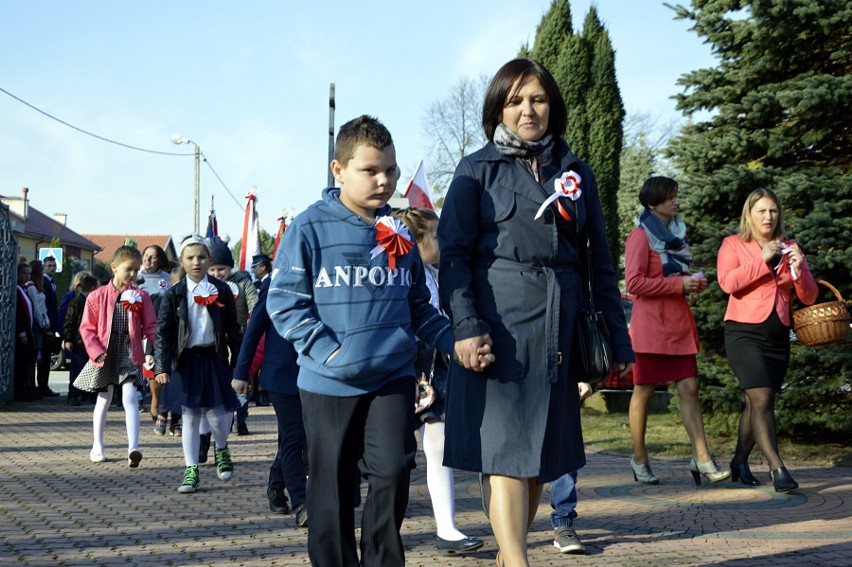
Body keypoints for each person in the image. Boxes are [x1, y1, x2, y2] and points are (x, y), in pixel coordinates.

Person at [264, 115, 492, 566]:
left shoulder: (400, 232)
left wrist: (453, 340)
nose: (384, 180)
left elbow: (417, 305)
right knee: (331, 487)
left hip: (391, 378)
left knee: (392, 472)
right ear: (339, 170)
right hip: (328, 383)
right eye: (370, 170)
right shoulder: (308, 228)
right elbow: (285, 304)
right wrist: (330, 351)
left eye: (390, 169)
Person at [437, 58, 633, 567]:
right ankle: (519, 562)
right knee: (505, 449)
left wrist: (618, 339)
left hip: (560, 328)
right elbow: (453, 257)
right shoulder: (475, 169)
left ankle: (508, 558)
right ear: (498, 109)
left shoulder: (576, 171)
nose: (529, 110)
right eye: (516, 100)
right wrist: (465, 326)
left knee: (540, 458)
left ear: (553, 107)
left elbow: (600, 261)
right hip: (497, 326)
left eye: (539, 99)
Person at [624, 176, 730, 486]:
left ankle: (702, 458)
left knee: (690, 389)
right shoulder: (640, 237)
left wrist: (692, 283)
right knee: (643, 391)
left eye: (675, 195)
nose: (676, 201)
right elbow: (633, 283)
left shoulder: (679, 237)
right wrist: (677, 283)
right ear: (652, 202)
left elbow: (677, 279)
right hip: (650, 328)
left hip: (679, 325)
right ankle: (640, 458)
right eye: (669, 197)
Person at [393, 206, 484, 555]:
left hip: (434, 369)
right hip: (404, 367)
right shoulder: (402, 273)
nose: (443, 241)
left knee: (438, 446)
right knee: (396, 456)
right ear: (415, 241)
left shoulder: (436, 273)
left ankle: (447, 527)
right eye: (435, 236)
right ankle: (388, 527)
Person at [717, 189, 818, 493]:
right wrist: (761, 259)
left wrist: (799, 272)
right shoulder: (733, 244)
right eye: (761, 211)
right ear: (749, 214)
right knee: (762, 400)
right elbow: (728, 283)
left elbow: (809, 296)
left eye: (773, 211)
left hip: (777, 335)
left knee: (755, 402)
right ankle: (778, 468)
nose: (768, 217)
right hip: (743, 332)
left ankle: (738, 461)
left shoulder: (791, 247)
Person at [154, 235, 243, 494]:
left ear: (209, 260)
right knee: (190, 417)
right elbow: (164, 333)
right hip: (186, 361)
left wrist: (239, 364)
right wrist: (161, 366)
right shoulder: (174, 295)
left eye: (202, 257)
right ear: (181, 261)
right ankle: (191, 469)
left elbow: (233, 330)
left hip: (214, 358)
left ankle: (222, 447)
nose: (196, 262)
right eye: (190, 258)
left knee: (219, 415)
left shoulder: (222, 289)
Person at [232, 277, 308, 527]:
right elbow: (254, 331)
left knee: (300, 437)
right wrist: (241, 373)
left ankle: (276, 485)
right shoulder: (278, 286)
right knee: (294, 436)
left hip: (316, 372)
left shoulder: (324, 277)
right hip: (282, 375)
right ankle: (302, 503)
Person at [74, 246, 156, 466]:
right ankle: (97, 446)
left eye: (137, 270)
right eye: (129, 269)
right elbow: (87, 328)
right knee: (104, 398)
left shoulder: (142, 296)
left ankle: (133, 448)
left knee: (130, 396)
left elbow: (151, 326)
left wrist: (152, 352)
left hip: (129, 351)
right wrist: (96, 352)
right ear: (114, 268)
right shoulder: (97, 296)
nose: (133, 274)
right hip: (104, 353)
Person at [206, 235, 257, 437]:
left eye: (222, 269)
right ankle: (217, 423)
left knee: (240, 381)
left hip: (239, 342)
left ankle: (241, 419)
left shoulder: (243, 284)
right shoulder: (205, 286)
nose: (218, 273)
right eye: (213, 269)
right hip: (214, 345)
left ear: (230, 267)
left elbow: (255, 304)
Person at [138, 244, 179, 436]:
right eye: (146, 255)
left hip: (164, 329)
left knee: (168, 370)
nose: (148, 260)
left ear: (160, 260)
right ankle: (155, 403)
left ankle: (169, 413)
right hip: (143, 332)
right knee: (152, 370)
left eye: (153, 257)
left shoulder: (167, 279)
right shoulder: (136, 278)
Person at [548, 382, 593, 555]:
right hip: (514, 374)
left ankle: (563, 522)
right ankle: (509, 524)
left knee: (563, 445)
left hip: (560, 372)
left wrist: (582, 375)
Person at [63, 274, 99, 406]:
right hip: (79, 342)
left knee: (88, 370)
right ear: (93, 288)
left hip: (89, 343)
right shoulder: (77, 301)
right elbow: (69, 321)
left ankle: (85, 395)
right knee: (77, 370)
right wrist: (68, 339)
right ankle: (73, 395)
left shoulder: (91, 302)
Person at [25, 260, 51, 400]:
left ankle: (33, 386)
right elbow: (35, 307)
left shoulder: (37, 286)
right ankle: (29, 386)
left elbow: (42, 308)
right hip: (35, 325)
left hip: (41, 324)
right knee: (32, 357)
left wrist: (46, 321)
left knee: (36, 357)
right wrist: (42, 323)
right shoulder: (31, 287)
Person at [14, 263, 38, 402]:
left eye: (29, 274)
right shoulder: (16, 289)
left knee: (27, 362)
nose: (27, 276)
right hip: (21, 334)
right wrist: (22, 333)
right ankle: (17, 390)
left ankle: (22, 389)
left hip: (29, 331)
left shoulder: (24, 289)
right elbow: (19, 313)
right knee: (21, 362)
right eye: (24, 273)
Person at [38, 255, 61, 397]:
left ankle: (44, 386)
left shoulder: (51, 282)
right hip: (46, 326)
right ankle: (42, 387)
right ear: (44, 267)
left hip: (51, 325)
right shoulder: (44, 283)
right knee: (44, 359)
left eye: (54, 266)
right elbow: (46, 307)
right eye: (49, 266)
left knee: (47, 359)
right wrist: (49, 327)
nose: (52, 268)